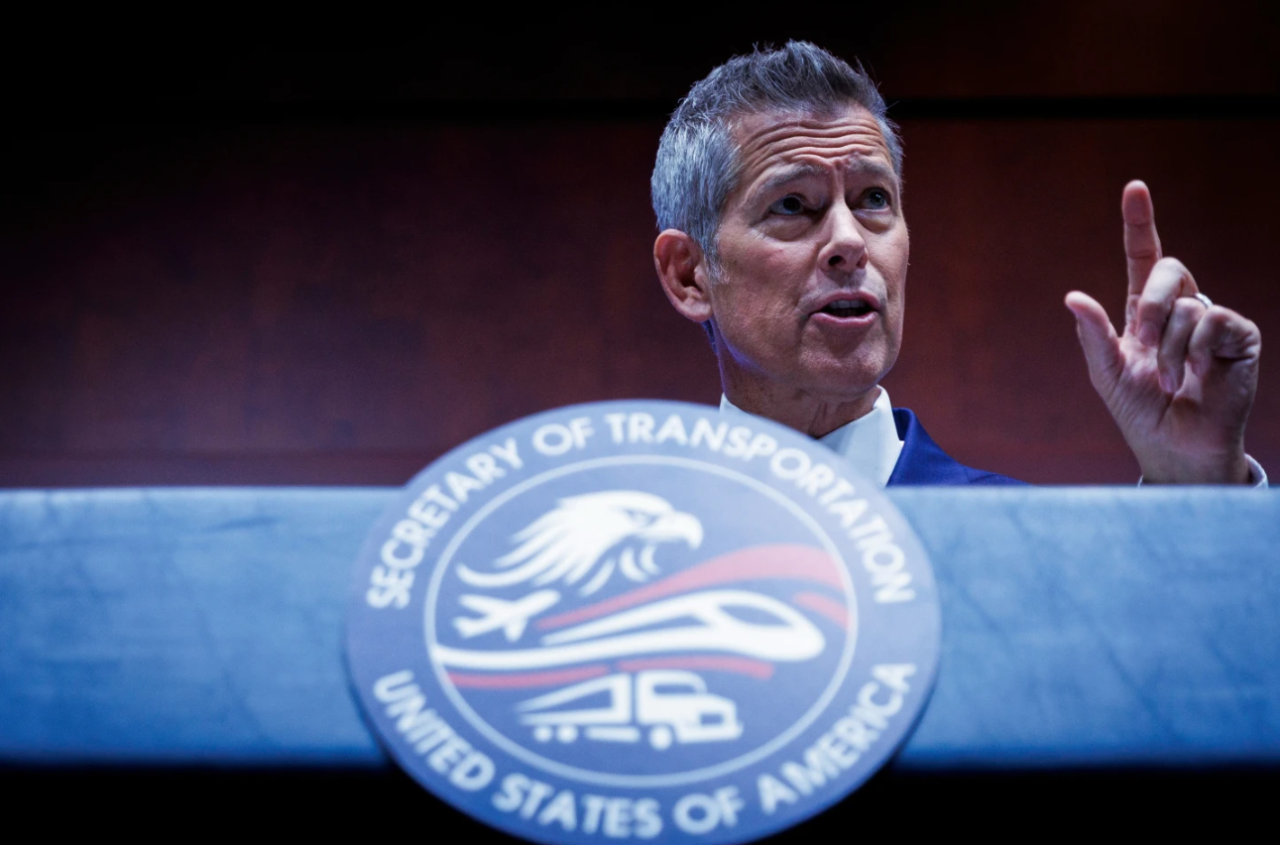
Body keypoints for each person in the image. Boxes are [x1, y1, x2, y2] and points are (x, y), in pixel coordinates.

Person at [650, 41, 1264, 487]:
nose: (851, 240)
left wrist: (1200, 495)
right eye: (792, 204)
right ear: (689, 274)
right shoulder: (612, 540)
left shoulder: (1020, 540)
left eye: (873, 200)